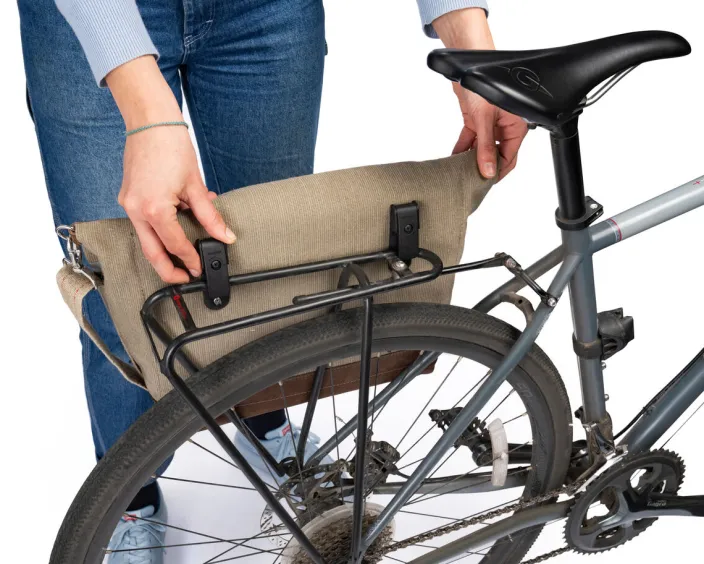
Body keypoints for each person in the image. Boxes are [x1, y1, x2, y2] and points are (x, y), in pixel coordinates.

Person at [17, 0, 527, 561]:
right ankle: (129, 499)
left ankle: (266, 425)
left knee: (273, 263)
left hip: (265, 13)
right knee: (122, 289)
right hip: (92, 18)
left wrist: (468, 38)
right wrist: (148, 112)